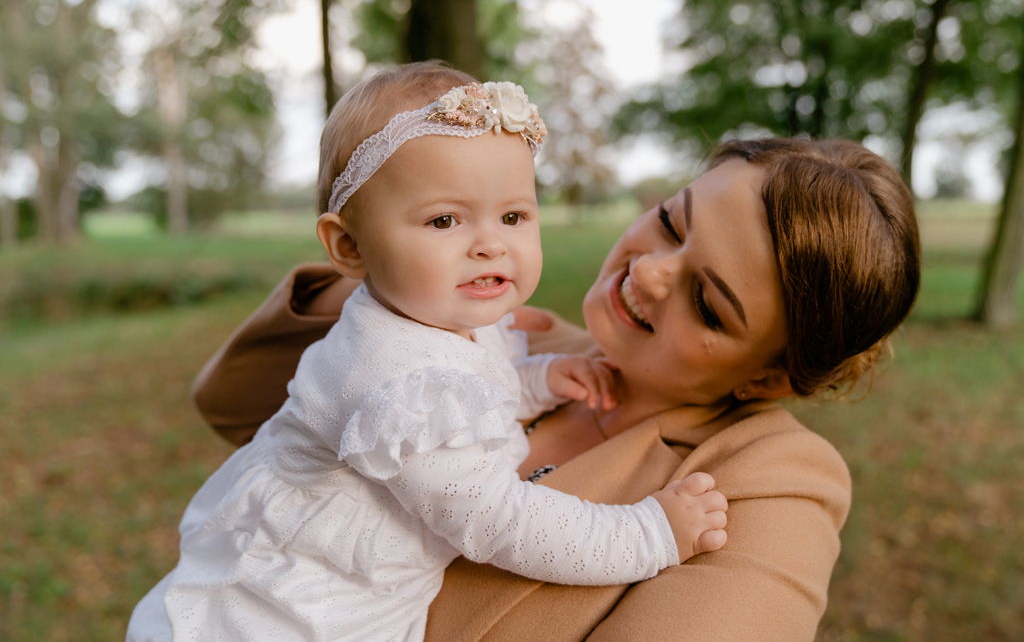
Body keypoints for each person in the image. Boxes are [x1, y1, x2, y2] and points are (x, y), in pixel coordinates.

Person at [187, 131, 921, 637]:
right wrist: (389, 282)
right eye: (670, 221)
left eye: (707, 302)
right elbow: (230, 402)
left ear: (770, 374)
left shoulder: (768, 481)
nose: (650, 269)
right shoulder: (510, 333)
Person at [127, 63, 730, 641]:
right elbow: (504, 523)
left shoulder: (438, 315)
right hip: (298, 612)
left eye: (514, 215)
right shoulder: (397, 384)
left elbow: (477, 385)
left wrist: (540, 379)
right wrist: (651, 534)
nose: (490, 244)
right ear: (349, 246)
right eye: (445, 221)